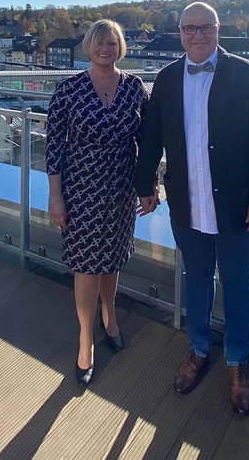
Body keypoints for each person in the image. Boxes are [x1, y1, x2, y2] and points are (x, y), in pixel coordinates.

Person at [134, 2, 249, 415]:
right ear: (179, 32)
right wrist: (144, 183)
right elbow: (151, 138)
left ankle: (236, 363)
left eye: (205, 28)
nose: (197, 35)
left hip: (237, 208)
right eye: (189, 28)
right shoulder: (166, 79)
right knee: (195, 280)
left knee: (237, 286)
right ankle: (198, 350)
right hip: (187, 205)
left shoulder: (246, 75)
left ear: (219, 30)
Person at [45, 19, 149, 387]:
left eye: (113, 42)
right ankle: (86, 337)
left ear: (121, 47)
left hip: (121, 188)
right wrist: (55, 195)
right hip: (81, 190)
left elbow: (149, 139)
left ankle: (111, 316)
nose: (107, 48)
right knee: (87, 265)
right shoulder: (70, 89)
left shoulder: (135, 88)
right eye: (100, 42)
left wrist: (148, 185)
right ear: (89, 47)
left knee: (113, 259)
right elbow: (54, 144)